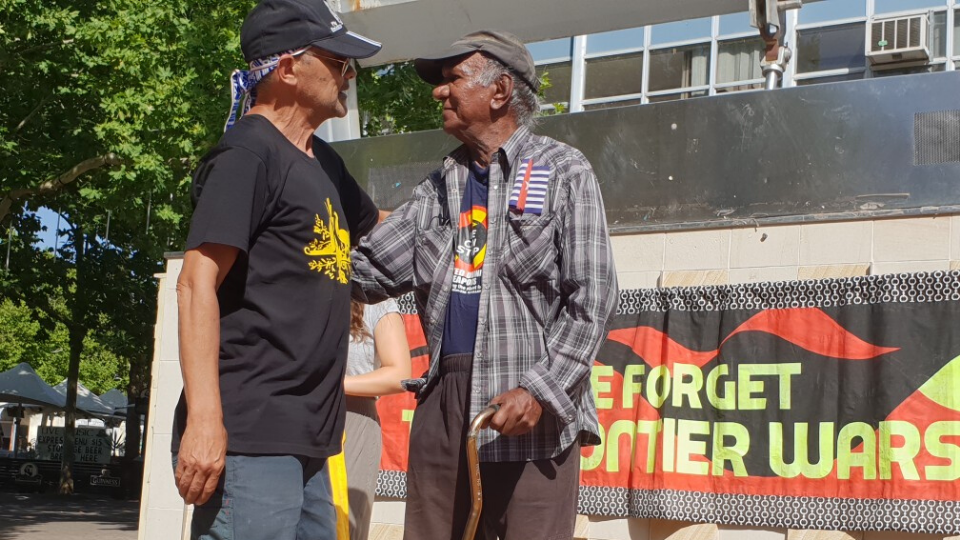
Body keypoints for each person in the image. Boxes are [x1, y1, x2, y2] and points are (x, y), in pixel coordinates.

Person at [351, 29, 618, 540]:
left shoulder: (562, 170)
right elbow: (365, 271)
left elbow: (593, 299)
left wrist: (540, 390)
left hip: (528, 403)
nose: (438, 92)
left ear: (499, 92)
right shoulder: (438, 186)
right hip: (444, 402)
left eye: (453, 78)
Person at [171, 0, 382, 538]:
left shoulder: (325, 164)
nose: (349, 72)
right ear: (288, 69)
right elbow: (196, 284)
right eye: (337, 60)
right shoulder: (248, 153)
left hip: (311, 435)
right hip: (251, 432)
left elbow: (383, 226)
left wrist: (476, 208)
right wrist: (204, 421)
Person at [341, 299, 411, 539]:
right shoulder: (301, 285)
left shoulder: (377, 303)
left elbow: (400, 375)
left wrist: (334, 384)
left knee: (343, 524)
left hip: (354, 418)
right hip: (298, 414)